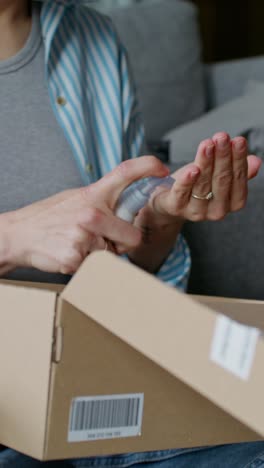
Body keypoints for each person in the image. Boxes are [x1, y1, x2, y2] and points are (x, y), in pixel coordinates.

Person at [0, 0, 263, 466]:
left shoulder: (92, 37)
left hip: (91, 390)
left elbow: (124, 268)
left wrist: (160, 216)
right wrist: (13, 235)